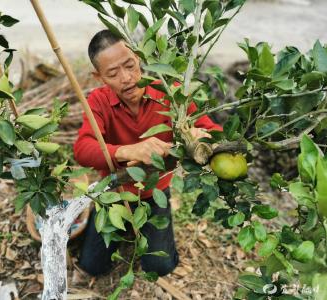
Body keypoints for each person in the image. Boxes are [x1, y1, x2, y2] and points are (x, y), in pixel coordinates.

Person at [73, 30, 222, 277]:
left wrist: (202, 136)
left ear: (139, 58)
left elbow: (213, 129)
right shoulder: (98, 101)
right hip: (114, 190)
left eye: (130, 65)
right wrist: (127, 150)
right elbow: (83, 149)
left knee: (160, 266)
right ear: (99, 77)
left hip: (155, 190)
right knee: (92, 266)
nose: (127, 78)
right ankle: (118, 225)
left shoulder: (171, 94)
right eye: (112, 73)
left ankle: (139, 228)